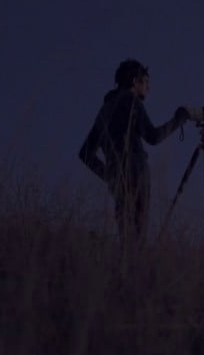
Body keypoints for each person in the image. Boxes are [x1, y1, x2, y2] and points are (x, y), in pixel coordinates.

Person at [79, 58, 189, 250]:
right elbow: (153, 136)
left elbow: (85, 154)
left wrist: (111, 176)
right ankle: (136, 275)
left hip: (118, 179)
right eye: (146, 82)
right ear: (134, 81)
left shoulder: (104, 110)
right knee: (137, 240)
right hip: (136, 174)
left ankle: (126, 275)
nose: (148, 87)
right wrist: (179, 119)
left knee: (126, 239)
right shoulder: (131, 100)